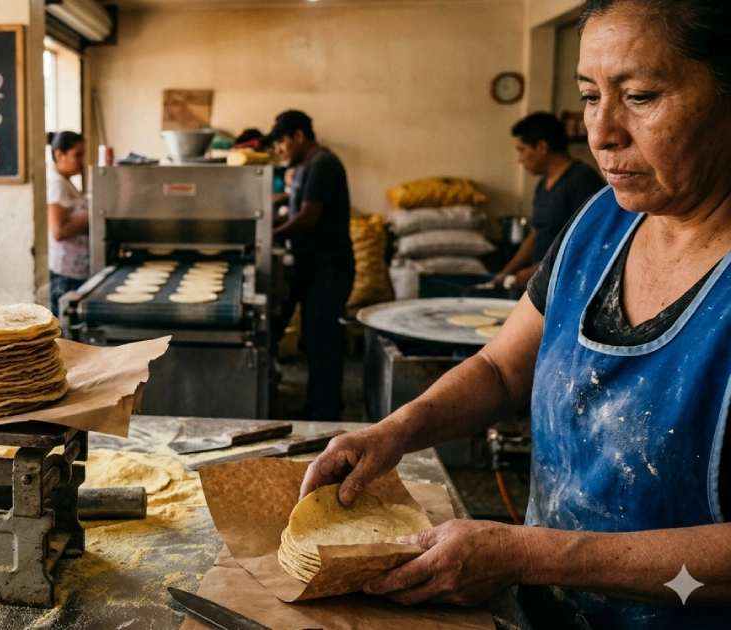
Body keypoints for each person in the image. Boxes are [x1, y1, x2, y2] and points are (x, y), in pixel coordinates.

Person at [300, 1, 731, 627]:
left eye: (640, 97)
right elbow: (502, 370)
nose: (602, 133)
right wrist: (395, 431)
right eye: (590, 97)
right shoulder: (597, 227)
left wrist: (528, 554)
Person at [267, 110, 355, 422]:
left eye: (282, 142)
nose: (279, 149)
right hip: (313, 268)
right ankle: (317, 407)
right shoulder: (305, 166)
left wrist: (269, 235)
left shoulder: (322, 164)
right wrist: (264, 220)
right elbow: (294, 206)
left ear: (299, 136)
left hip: (329, 270)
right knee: (314, 341)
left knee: (323, 343)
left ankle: (326, 413)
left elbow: (307, 217)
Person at [492, 112, 607, 290]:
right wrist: (505, 273)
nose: (519, 159)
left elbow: (588, 242)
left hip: (570, 284)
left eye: (522, 150)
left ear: (542, 147)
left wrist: (538, 271)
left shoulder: (582, 181)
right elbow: (536, 233)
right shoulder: (542, 184)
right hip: (543, 284)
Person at [46, 131, 89, 316]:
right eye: (77, 155)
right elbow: (59, 231)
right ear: (59, 155)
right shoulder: (56, 184)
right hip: (66, 274)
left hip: (76, 269)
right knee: (65, 325)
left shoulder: (66, 182)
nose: (82, 161)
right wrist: (92, 216)